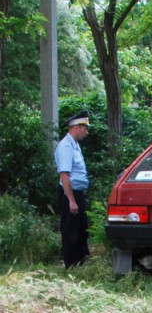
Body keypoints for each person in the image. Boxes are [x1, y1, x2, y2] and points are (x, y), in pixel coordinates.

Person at [54, 110, 91, 268]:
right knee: (71, 231)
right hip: (70, 194)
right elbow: (64, 175)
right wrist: (71, 200)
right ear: (76, 127)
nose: (86, 132)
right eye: (85, 128)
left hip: (78, 193)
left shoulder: (75, 145)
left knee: (82, 229)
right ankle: (71, 264)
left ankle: (82, 260)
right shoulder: (65, 147)